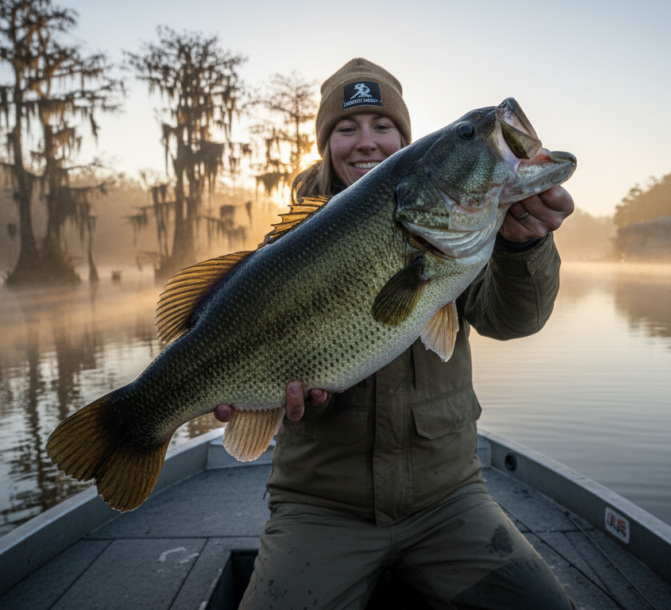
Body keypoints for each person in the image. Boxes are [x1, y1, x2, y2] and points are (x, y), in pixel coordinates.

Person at [217, 58, 577, 609]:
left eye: (383, 127)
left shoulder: (459, 233)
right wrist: (249, 396)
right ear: (325, 144)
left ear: (407, 144)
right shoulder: (283, 250)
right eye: (346, 128)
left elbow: (514, 320)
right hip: (319, 505)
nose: (366, 142)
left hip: (449, 499)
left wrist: (523, 244)